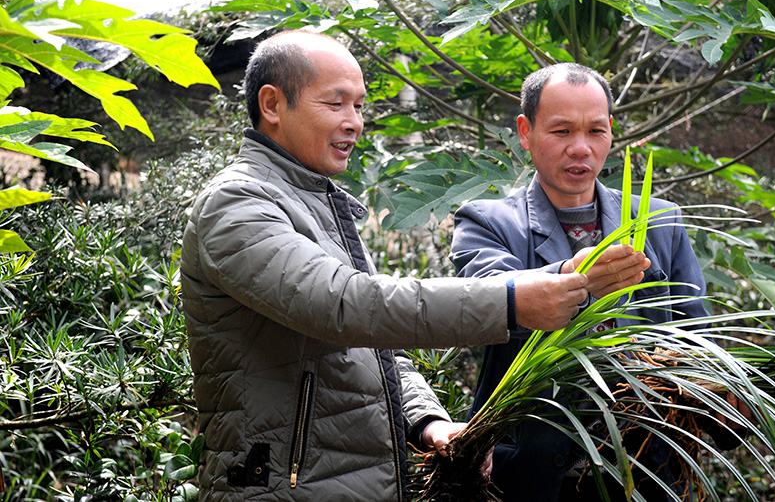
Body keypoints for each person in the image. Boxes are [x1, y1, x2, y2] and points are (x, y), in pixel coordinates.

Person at [180, 32, 650, 501]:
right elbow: (349, 306)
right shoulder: (237, 203)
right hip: (281, 486)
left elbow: (372, 350)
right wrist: (512, 302)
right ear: (272, 104)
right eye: (337, 104)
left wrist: (429, 422)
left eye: (359, 107)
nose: (354, 123)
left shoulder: (315, 201)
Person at [450, 62, 721, 501]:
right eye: (561, 132)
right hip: (529, 476)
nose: (581, 148)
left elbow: (695, 335)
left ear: (611, 131)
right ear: (525, 131)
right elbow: (485, 298)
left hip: (645, 471)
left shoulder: (659, 221)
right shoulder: (487, 221)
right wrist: (572, 279)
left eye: (595, 131)